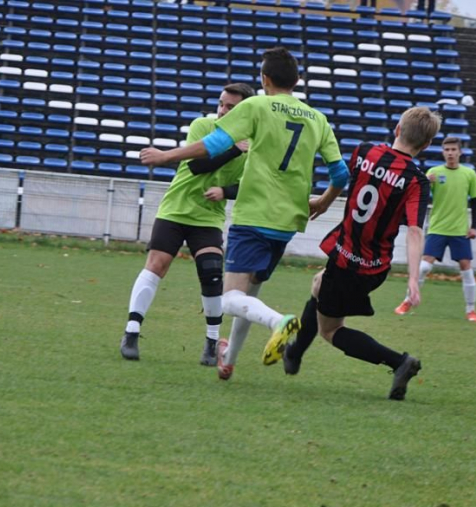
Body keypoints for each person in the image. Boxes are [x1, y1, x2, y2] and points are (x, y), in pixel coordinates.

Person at [141, 47, 348, 380]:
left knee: (227, 300)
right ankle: (230, 360)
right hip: (288, 222)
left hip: (254, 216)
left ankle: (279, 322)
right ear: (297, 81)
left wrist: (166, 156)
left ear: (265, 79)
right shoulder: (317, 118)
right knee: (248, 293)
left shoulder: (257, 105)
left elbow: (213, 143)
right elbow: (341, 176)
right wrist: (323, 202)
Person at [280, 107, 440, 401]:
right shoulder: (417, 181)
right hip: (375, 266)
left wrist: (324, 202)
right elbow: (416, 231)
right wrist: (414, 279)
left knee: (330, 330)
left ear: (396, 130)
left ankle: (399, 362)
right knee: (318, 284)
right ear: (427, 145)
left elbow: (343, 180)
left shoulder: (365, 152)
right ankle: (294, 352)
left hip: (345, 257)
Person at [120, 83, 256, 364]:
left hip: (208, 217)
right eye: (221, 104)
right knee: (156, 264)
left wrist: (225, 192)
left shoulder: (254, 145)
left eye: (231, 107)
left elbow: (251, 186)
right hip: (176, 209)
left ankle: (210, 342)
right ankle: (131, 331)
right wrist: (233, 150)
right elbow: (197, 165)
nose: (222, 110)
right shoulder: (202, 126)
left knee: (211, 272)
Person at [395, 136, 476, 321]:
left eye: (453, 150)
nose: (450, 153)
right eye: (447, 150)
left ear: (459, 152)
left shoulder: (469, 174)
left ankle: (471, 310)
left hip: (460, 230)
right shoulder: (434, 172)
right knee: (423, 267)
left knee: (466, 268)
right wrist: (425, 182)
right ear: (443, 152)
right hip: (437, 228)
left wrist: (474, 226)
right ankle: (407, 301)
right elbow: (418, 195)